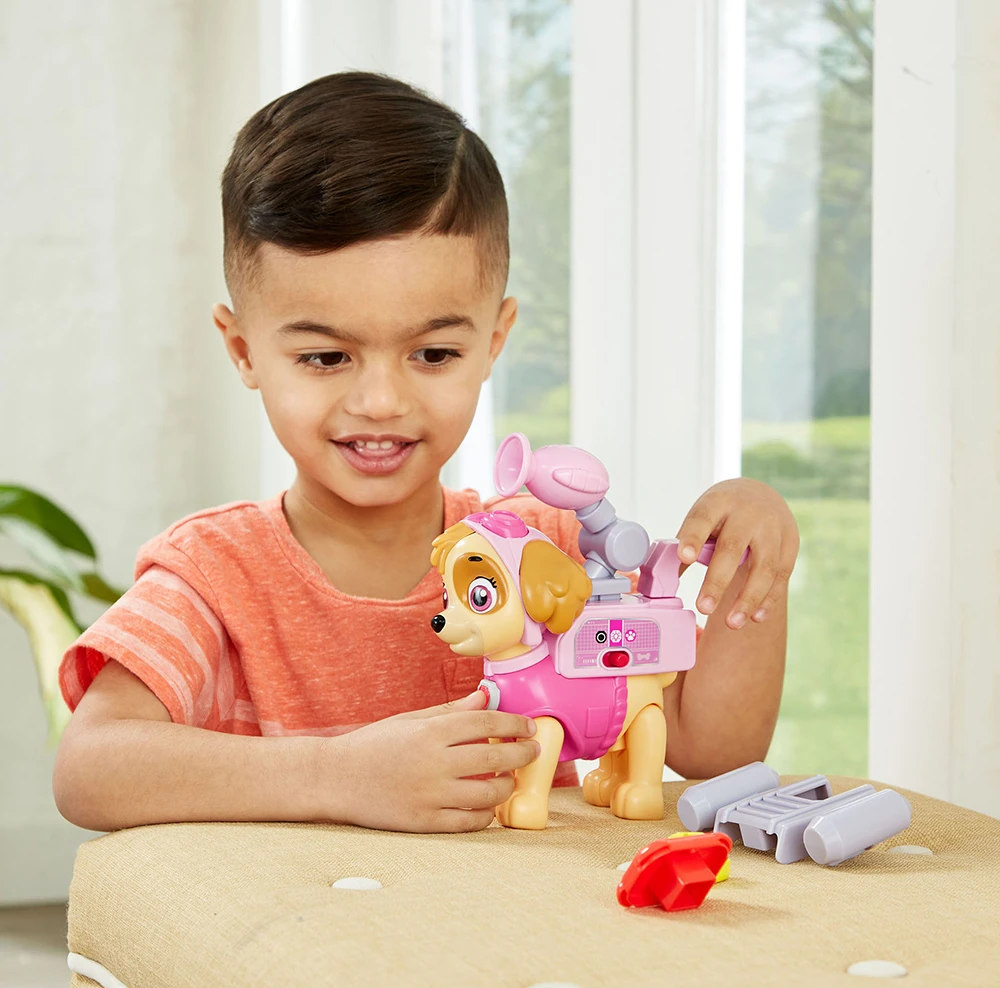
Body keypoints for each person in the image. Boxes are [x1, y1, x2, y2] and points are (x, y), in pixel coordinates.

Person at [53, 71, 798, 836]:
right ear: (244, 350)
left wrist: (751, 559)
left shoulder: (548, 552)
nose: (381, 401)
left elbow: (710, 747)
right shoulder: (216, 578)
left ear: (493, 341)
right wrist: (337, 775)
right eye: (326, 357)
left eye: (433, 353)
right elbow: (90, 766)